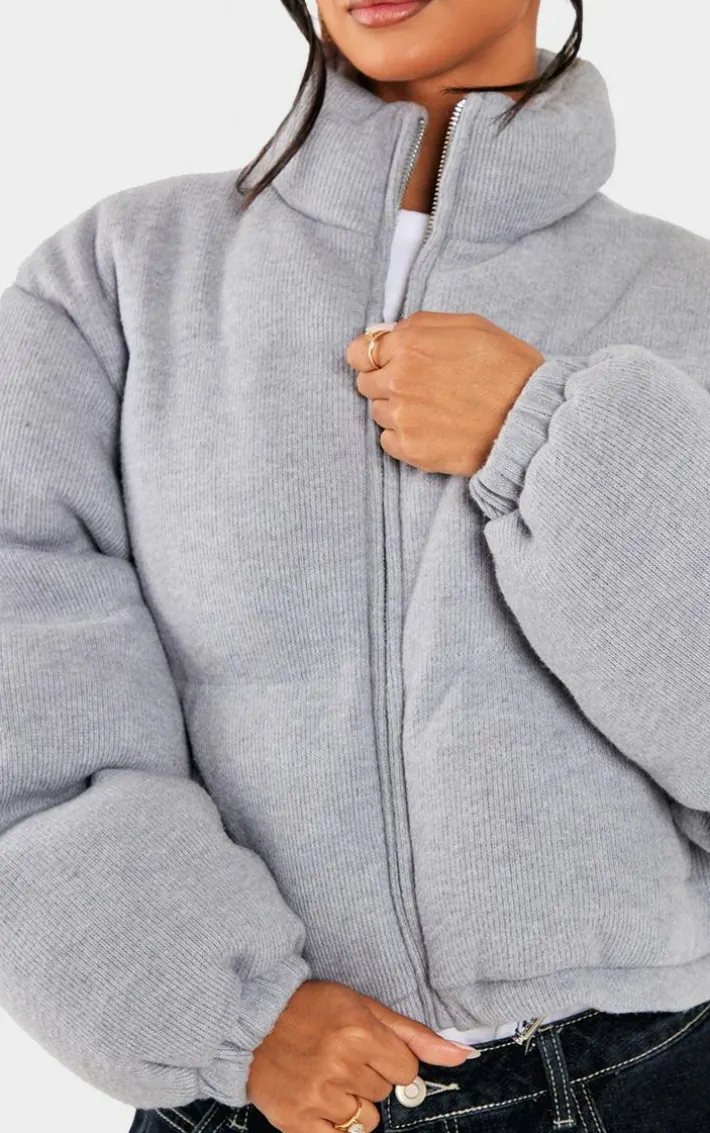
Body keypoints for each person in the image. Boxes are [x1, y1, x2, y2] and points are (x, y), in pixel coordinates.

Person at [2, 0, 710, 1130]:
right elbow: (25, 715)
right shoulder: (115, 282)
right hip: (254, 1097)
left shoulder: (685, 298)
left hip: (645, 1075)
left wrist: (545, 436)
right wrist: (226, 1010)